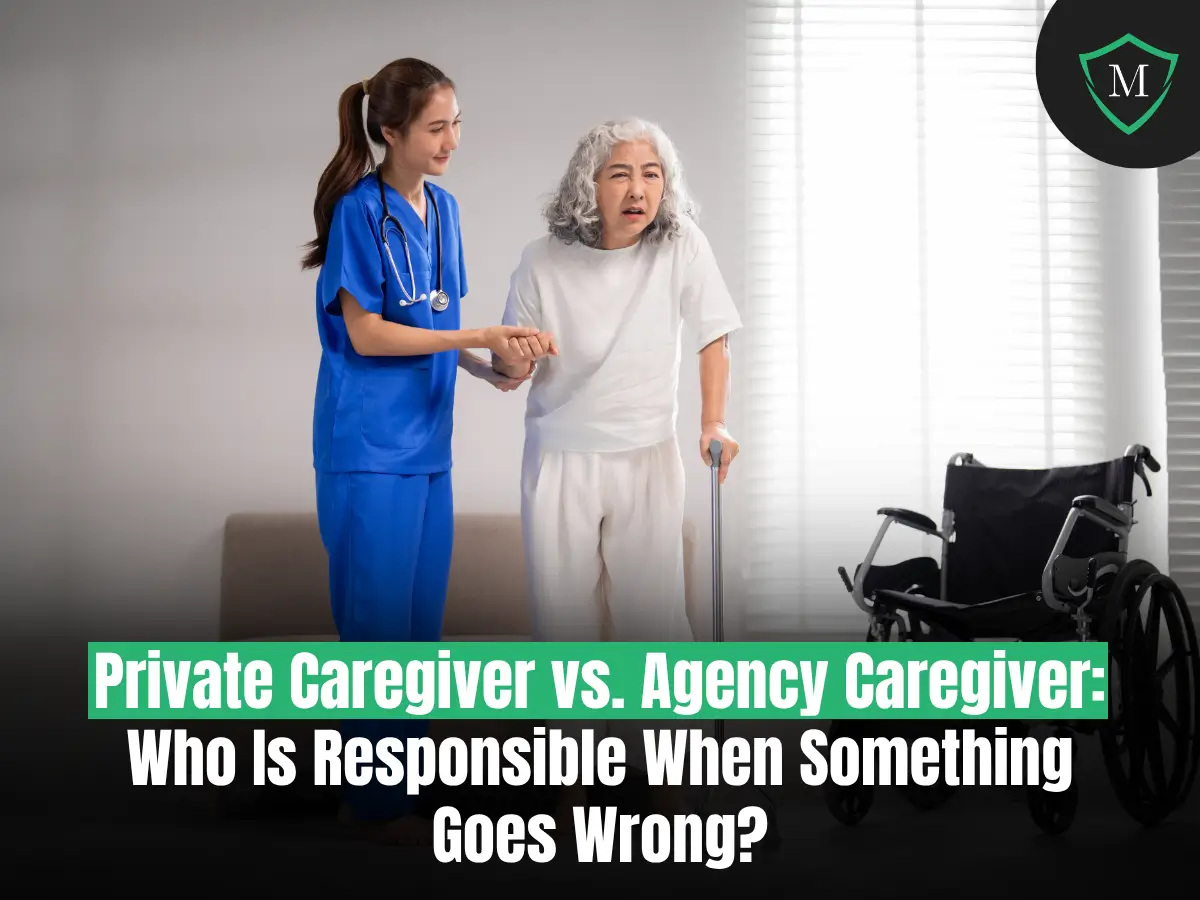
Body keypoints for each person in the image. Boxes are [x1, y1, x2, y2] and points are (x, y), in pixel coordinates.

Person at [299, 58, 555, 845]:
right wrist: (476, 335)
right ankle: (369, 807)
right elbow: (371, 334)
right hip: (368, 449)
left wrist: (490, 368)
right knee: (373, 632)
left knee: (416, 632)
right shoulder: (356, 213)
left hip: (428, 448)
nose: (451, 141)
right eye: (436, 127)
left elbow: (436, 316)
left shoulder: (443, 209)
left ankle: (399, 798)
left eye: (456, 125)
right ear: (390, 132)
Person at [492, 118, 743, 822]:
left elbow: (714, 332)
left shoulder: (680, 245)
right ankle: (573, 804)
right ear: (588, 187)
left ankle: (675, 798)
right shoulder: (541, 260)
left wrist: (712, 420)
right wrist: (511, 354)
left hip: (646, 452)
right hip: (561, 455)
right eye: (620, 175)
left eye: (652, 174)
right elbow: (509, 369)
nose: (639, 190)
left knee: (654, 620)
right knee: (563, 625)